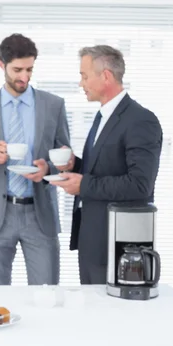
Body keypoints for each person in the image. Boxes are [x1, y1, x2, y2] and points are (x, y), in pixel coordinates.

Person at [0, 33, 71, 286]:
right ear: (1, 65)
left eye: (30, 69)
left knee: (46, 293)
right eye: (17, 70)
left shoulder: (53, 105)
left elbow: (65, 156)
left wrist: (47, 168)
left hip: (39, 213)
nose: (24, 77)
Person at [50, 45, 163, 284]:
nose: (81, 83)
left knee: (112, 317)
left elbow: (140, 184)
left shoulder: (141, 120)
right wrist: (74, 165)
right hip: (92, 239)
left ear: (106, 76)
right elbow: (102, 169)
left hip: (118, 245)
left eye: (85, 76)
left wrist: (84, 186)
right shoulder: (103, 116)